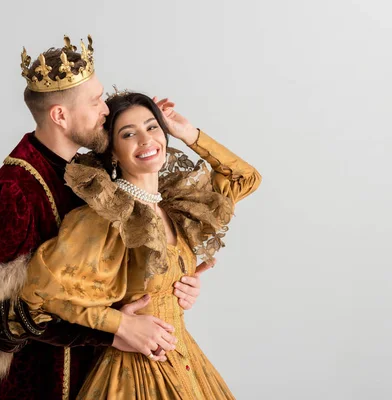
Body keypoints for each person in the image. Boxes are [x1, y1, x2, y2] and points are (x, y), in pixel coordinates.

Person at [0, 37, 208, 400]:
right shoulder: (16, 190)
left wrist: (172, 284)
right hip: (34, 385)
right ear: (60, 115)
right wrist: (116, 328)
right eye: (94, 101)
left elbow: (104, 274)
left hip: (102, 377)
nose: (106, 109)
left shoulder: (90, 174)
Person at [20, 91, 262, 399]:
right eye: (129, 134)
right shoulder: (108, 216)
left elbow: (245, 177)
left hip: (187, 363)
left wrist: (187, 133)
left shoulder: (174, 204)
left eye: (152, 127)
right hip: (134, 375)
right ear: (113, 152)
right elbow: (42, 294)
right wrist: (119, 324)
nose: (146, 140)